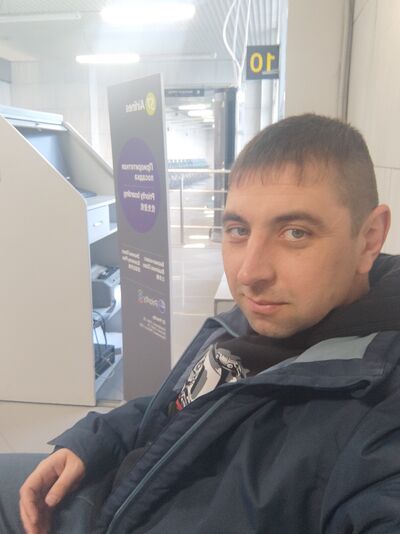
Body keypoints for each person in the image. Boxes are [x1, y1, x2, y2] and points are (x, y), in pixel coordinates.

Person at [2, 112, 400, 534]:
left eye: (295, 233)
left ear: (369, 238)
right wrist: (96, 441)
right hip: (122, 491)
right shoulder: (262, 320)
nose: (249, 272)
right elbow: (180, 405)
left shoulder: (377, 412)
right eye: (238, 230)